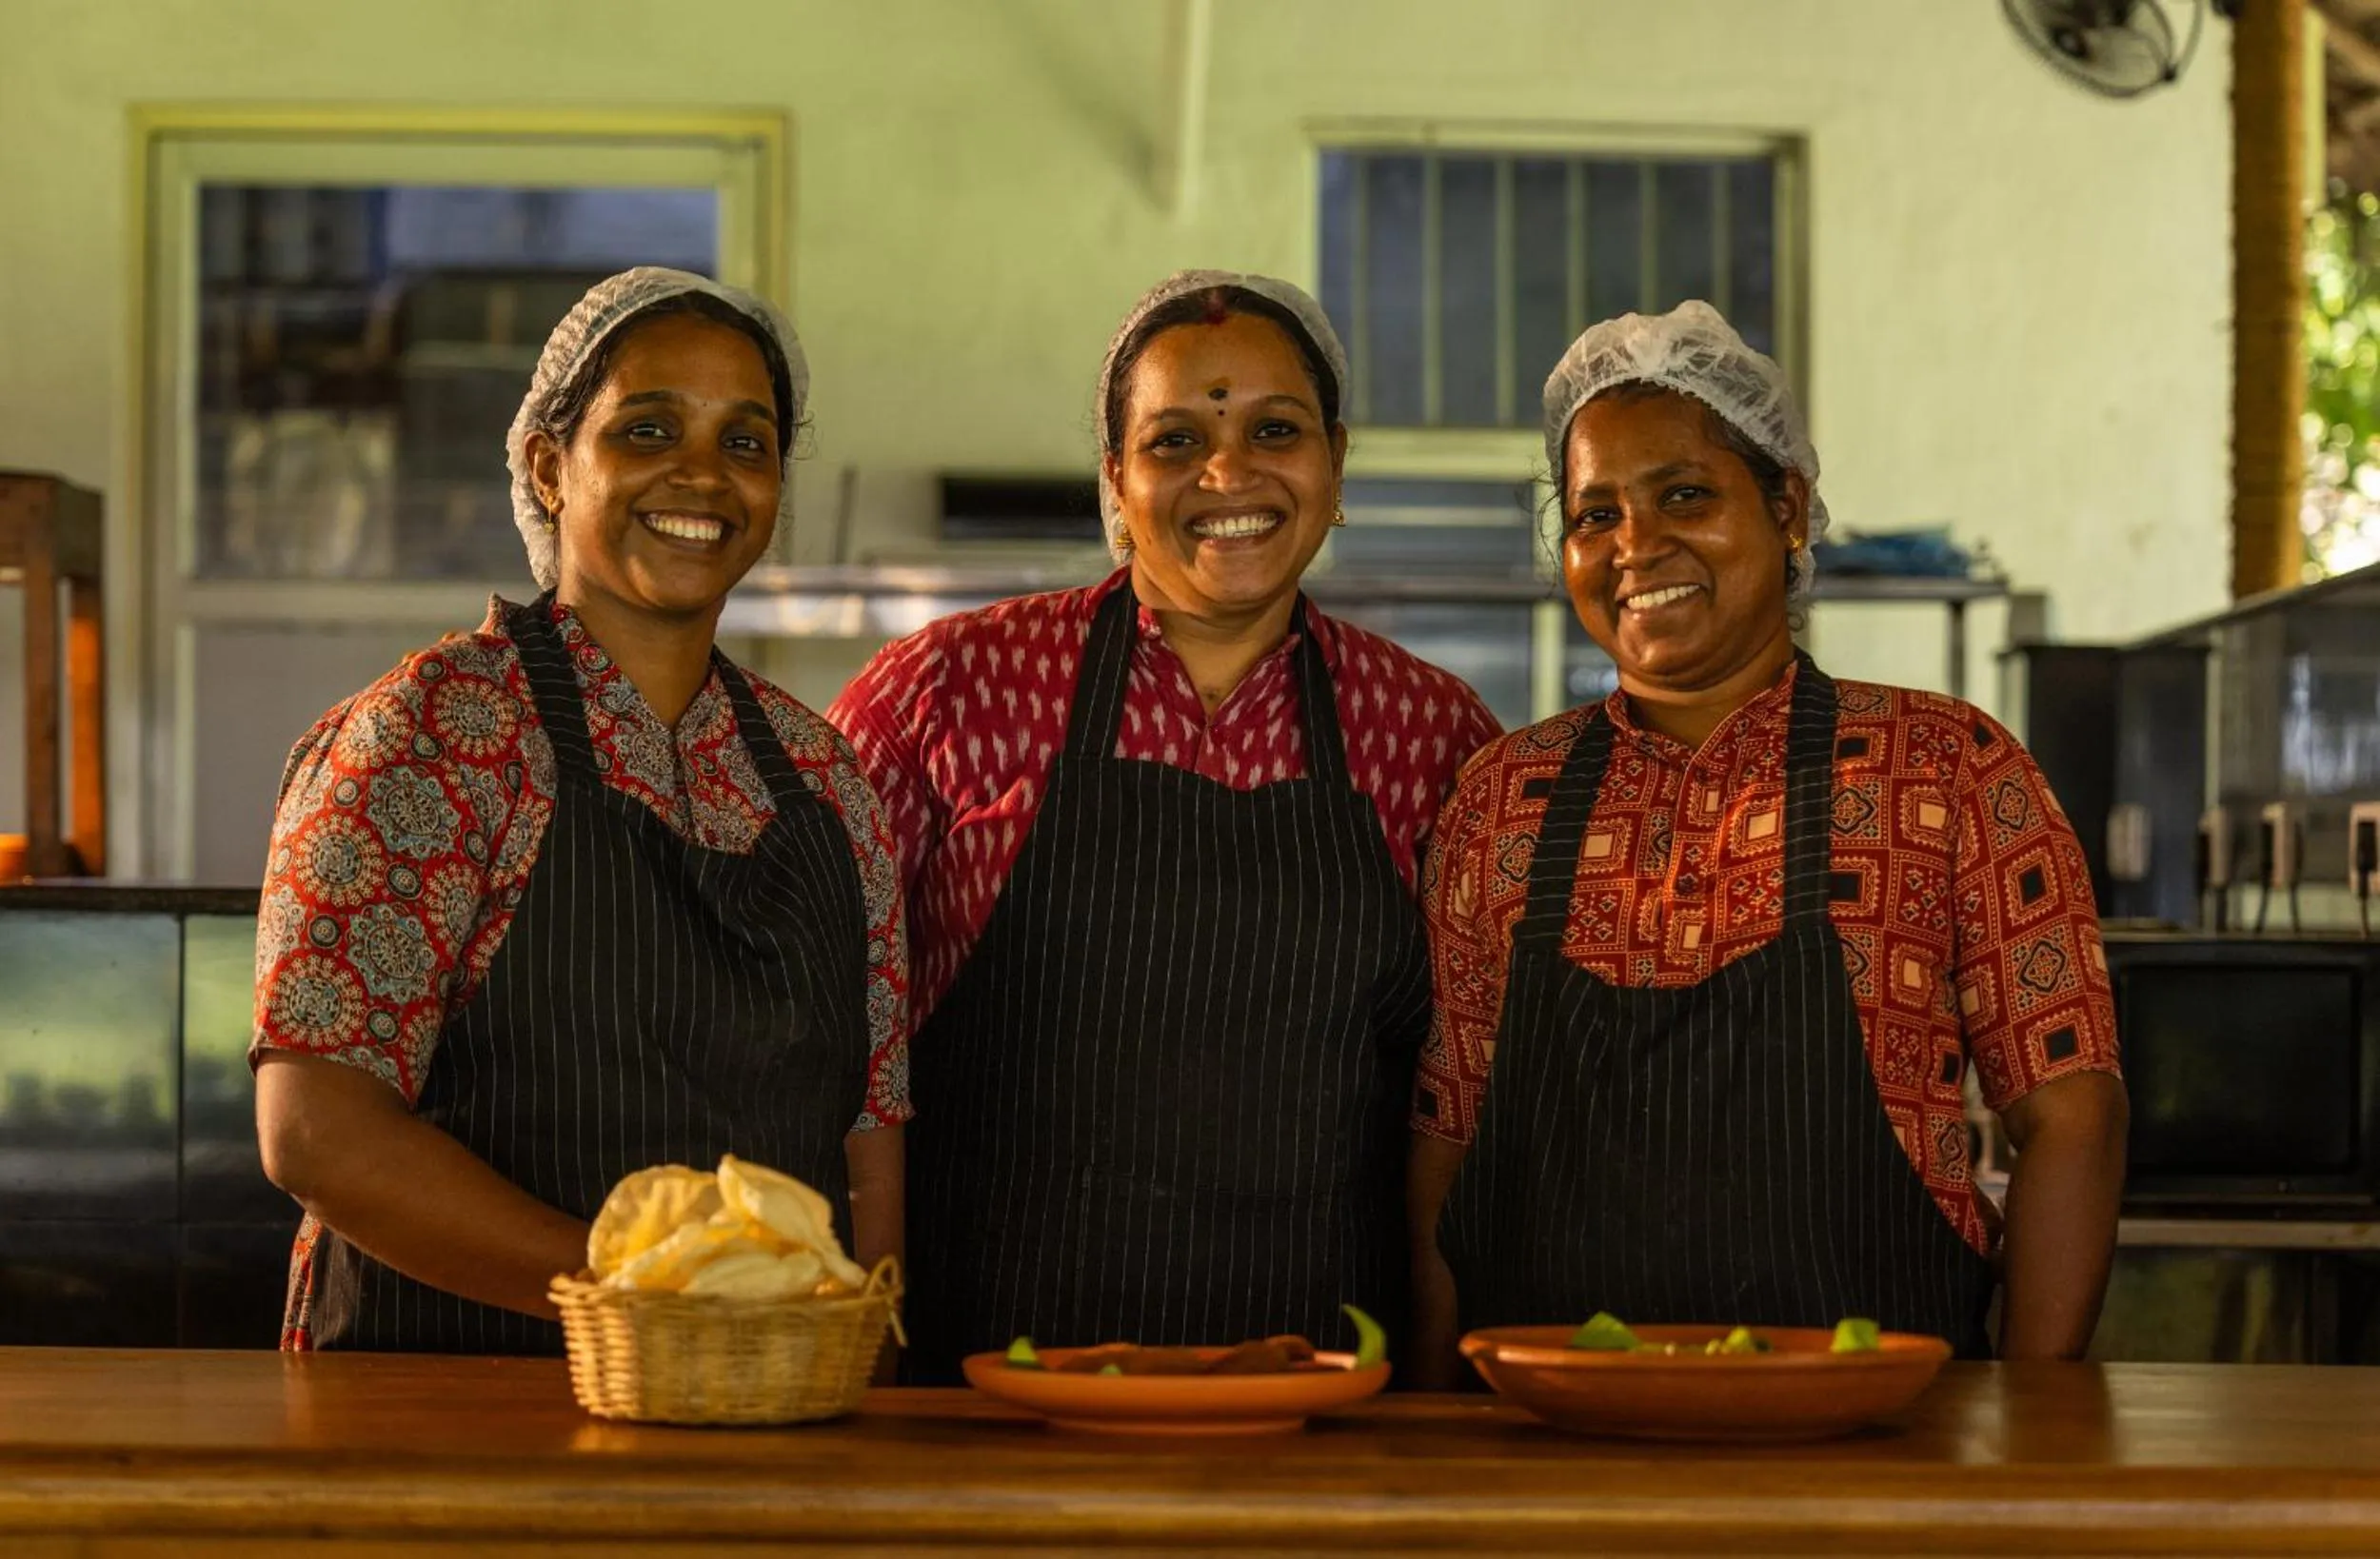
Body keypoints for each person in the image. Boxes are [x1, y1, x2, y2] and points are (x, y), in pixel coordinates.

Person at [1408, 302, 2128, 1377]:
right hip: (1545, 1439)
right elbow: (1444, 1142)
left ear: (1786, 507)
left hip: (1881, 1435)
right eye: (1595, 514)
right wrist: (1433, 1422)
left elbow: (2072, 1116)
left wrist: (2030, 1411)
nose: (1635, 545)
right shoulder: (1503, 797)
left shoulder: (1946, 769)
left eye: (1684, 495)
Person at [829, 270, 1502, 1380]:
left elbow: (1467, 1102)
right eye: (1175, 441)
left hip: (1320, 1410)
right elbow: (830, 1048)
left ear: (1335, 463)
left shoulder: (1434, 732)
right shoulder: (944, 692)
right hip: (993, 1406)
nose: (1227, 474)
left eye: (1274, 431)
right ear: (1114, 480)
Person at [250, 267, 908, 1352]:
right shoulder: (438, 731)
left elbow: (866, 1141)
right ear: (549, 468)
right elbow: (318, 1133)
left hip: (762, 1404)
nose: (703, 474)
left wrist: (862, 1362)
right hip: (445, 1402)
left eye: (745, 443)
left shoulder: (822, 777)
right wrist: (654, 1299)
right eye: (649, 429)